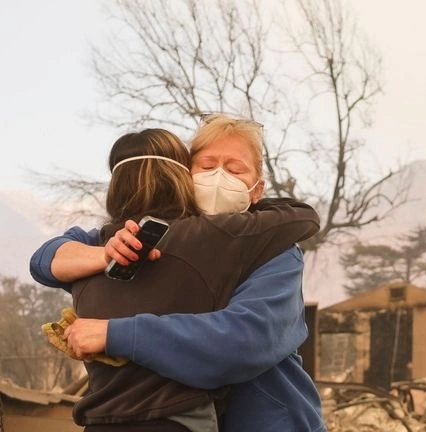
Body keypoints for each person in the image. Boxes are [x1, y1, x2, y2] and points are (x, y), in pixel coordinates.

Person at [31, 115, 327, 432]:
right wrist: (106, 254)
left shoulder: (275, 249)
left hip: (267, 421)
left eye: (235, 169)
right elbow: (46, 259)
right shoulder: (153, 238)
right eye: (207, 165)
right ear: (185, 177)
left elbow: (246, 338)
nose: (218, 177)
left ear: (257, 190)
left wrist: (114, 334)